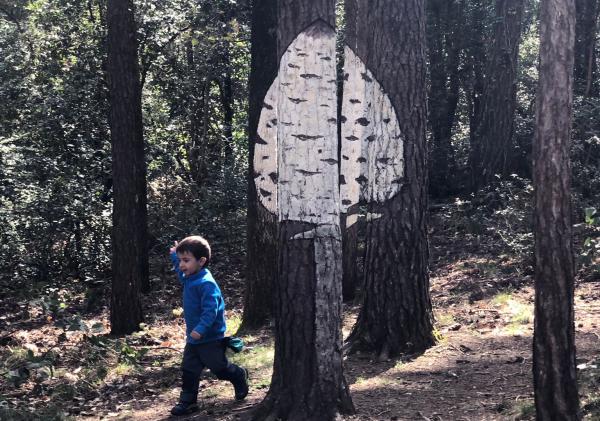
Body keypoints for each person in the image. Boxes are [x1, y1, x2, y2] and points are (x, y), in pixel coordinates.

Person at [169, 235, 249, 416]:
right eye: (181, 260)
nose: (182, 265)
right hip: (194, 338)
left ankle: (238, 375)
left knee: (219, 369)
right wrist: (175, 256)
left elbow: (211, 311)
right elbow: (180, 273)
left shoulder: (206, 283)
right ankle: (188, 402)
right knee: (189, 369)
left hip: (210, 337)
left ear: (202, 261)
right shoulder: (190, 277)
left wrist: (201, 329)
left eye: (186, 260)